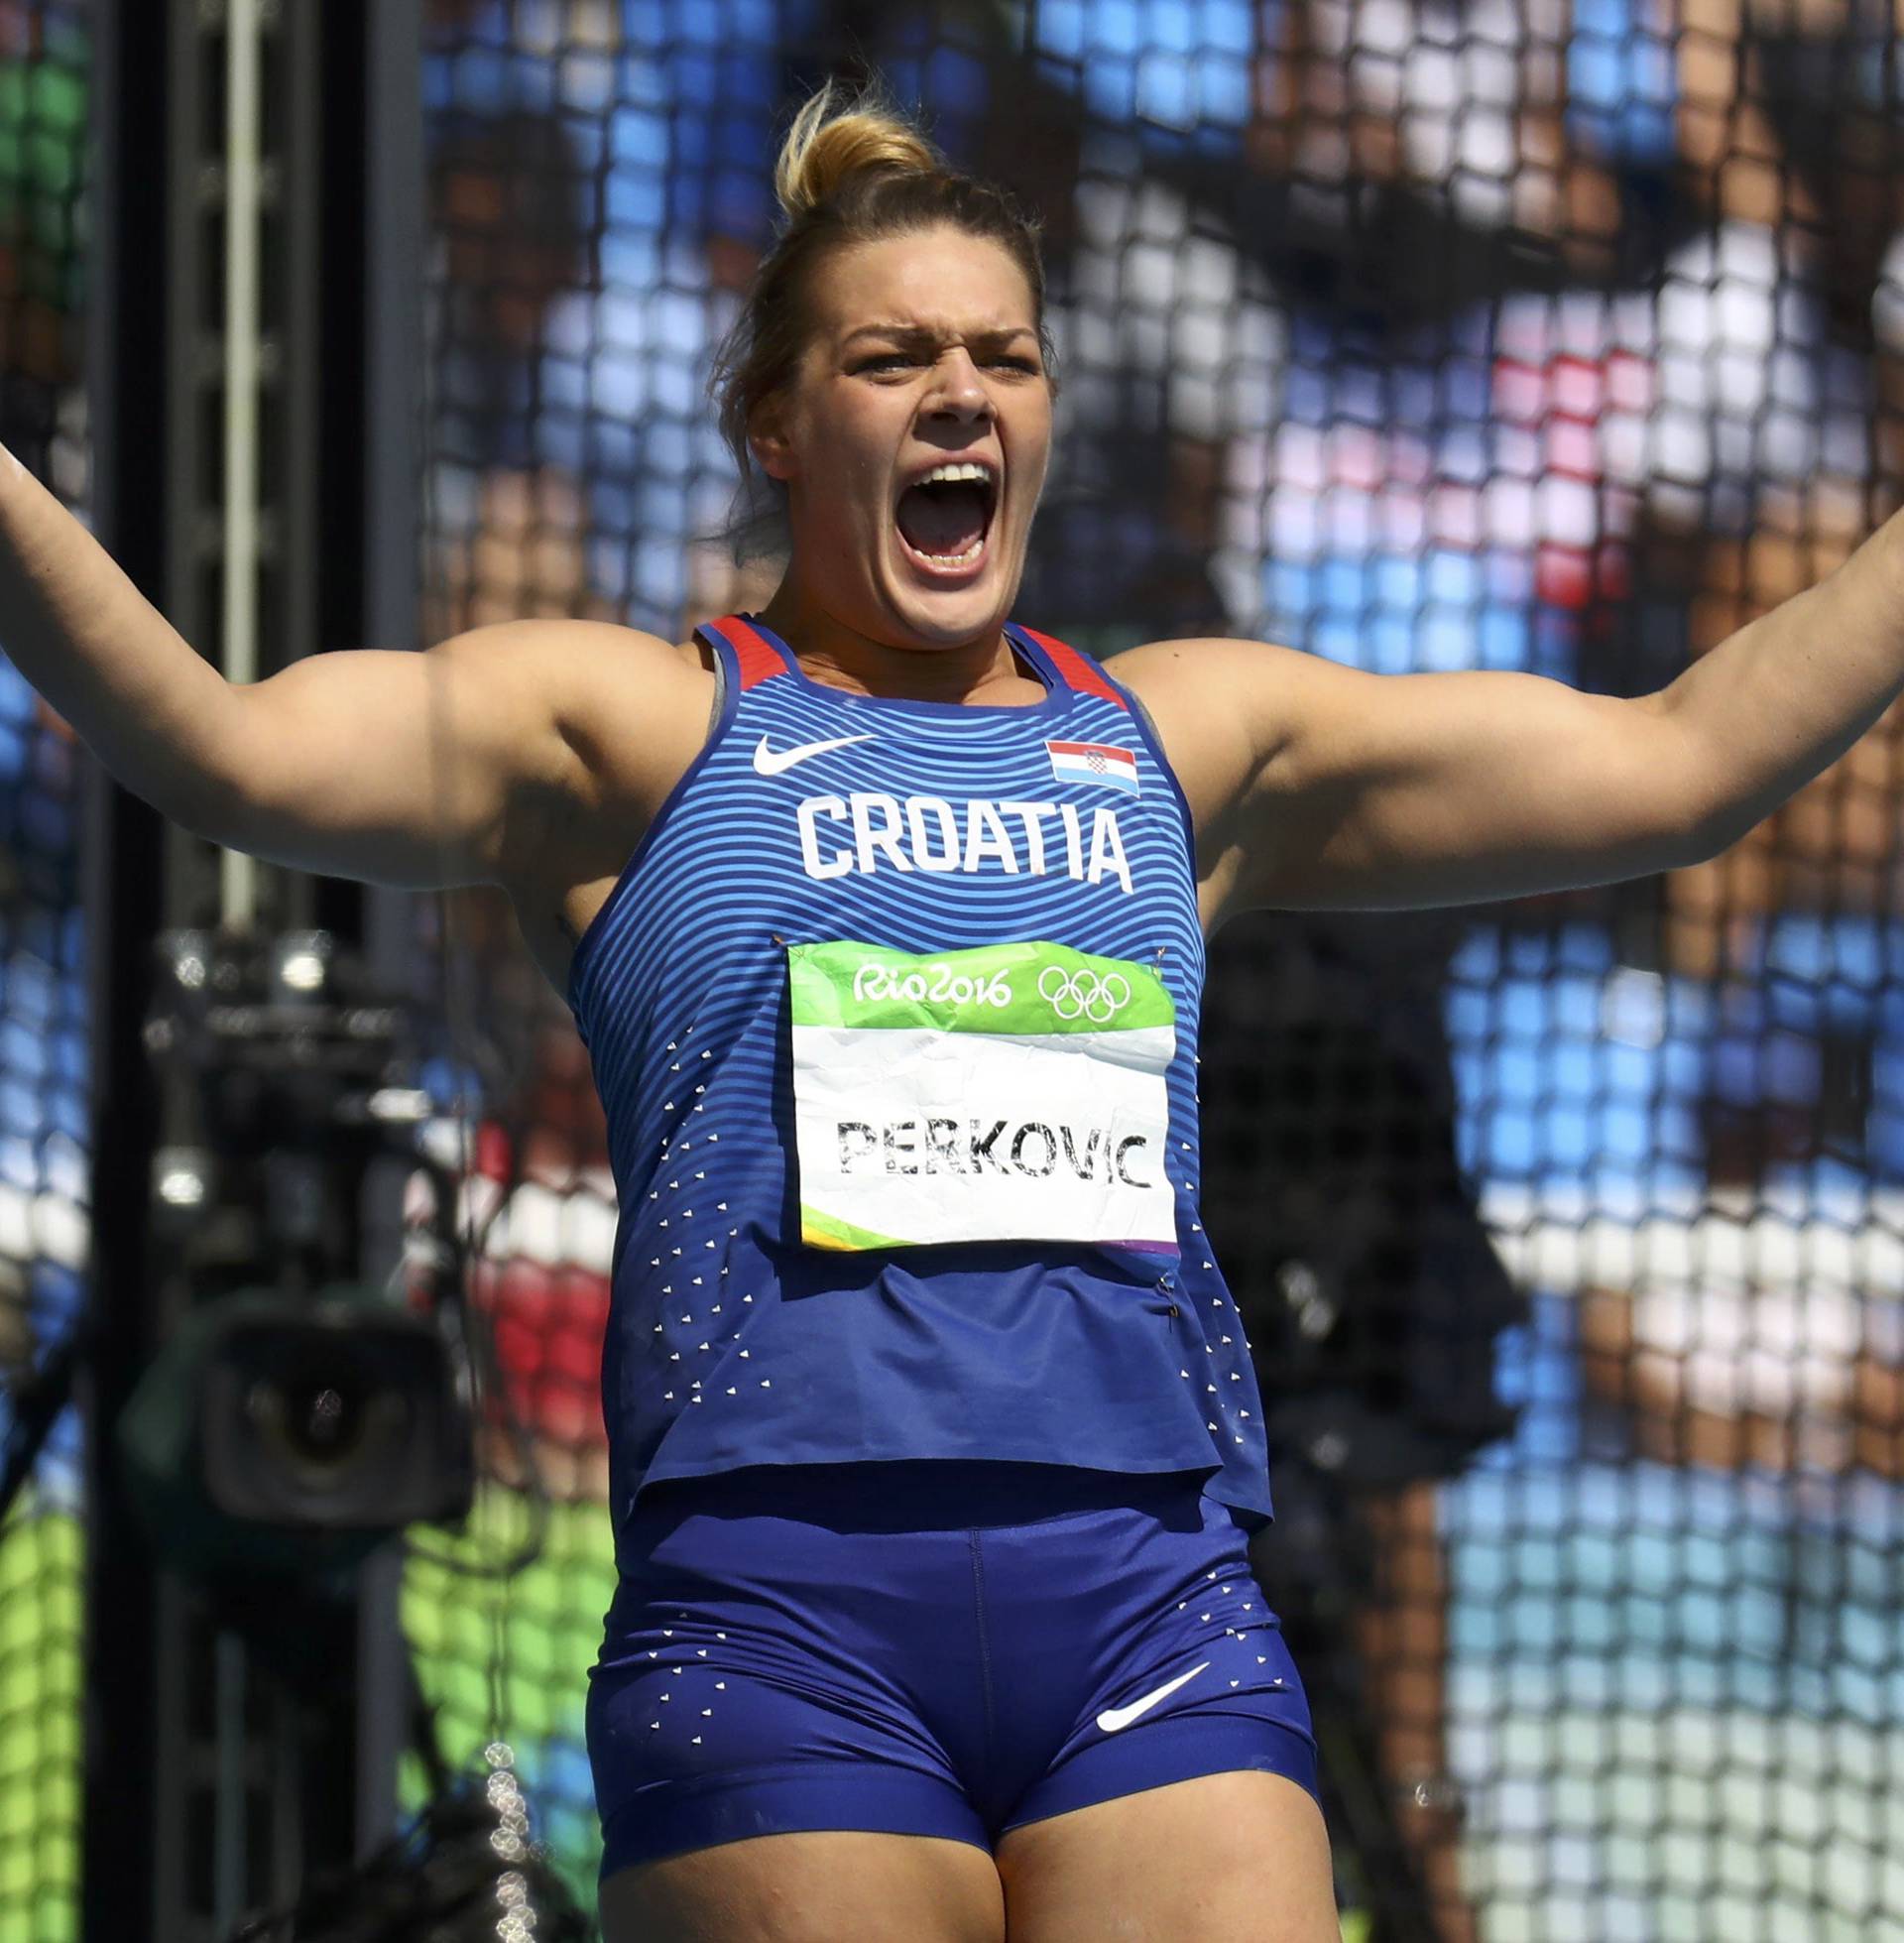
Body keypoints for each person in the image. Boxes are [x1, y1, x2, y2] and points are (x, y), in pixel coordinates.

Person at [9, 73, 1904, 1941]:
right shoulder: (635, 731)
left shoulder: (1190, 735)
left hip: (1156, 1609)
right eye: (892, 357)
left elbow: (1685, 764)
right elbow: (224, 747)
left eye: (1004, 355)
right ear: (773, 422)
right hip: (781, 1630)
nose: (959, 396)